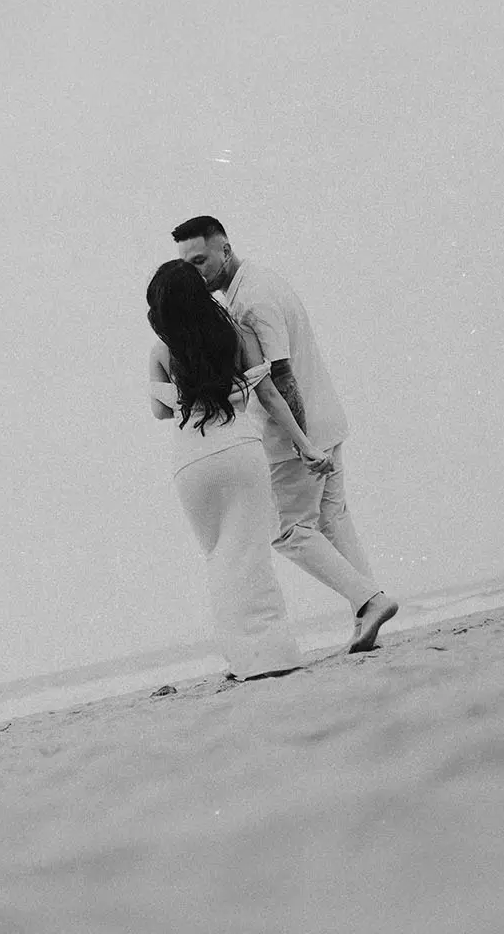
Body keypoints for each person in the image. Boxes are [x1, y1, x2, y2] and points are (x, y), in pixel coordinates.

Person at [171, 215, 397, 652]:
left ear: (225, 248)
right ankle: (367, 611)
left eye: (200, 260)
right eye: (186, 265)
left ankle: (370, 600)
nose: (194, 272)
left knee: (288, 531)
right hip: (326, 417)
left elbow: (281, 377)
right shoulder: (260, 281)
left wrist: (301, 444)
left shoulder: (252, 300)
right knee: (332, 520)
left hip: (299, 432)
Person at [146, 259, 331, 681]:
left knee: (218, 557)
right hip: (240, 451)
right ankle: (274, 653)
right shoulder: (235, 335)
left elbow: (159, 410)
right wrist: (304, 444)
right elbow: (268, 393)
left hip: (192, 463)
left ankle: (243, 659)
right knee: (250, 552)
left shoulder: (161, 352)